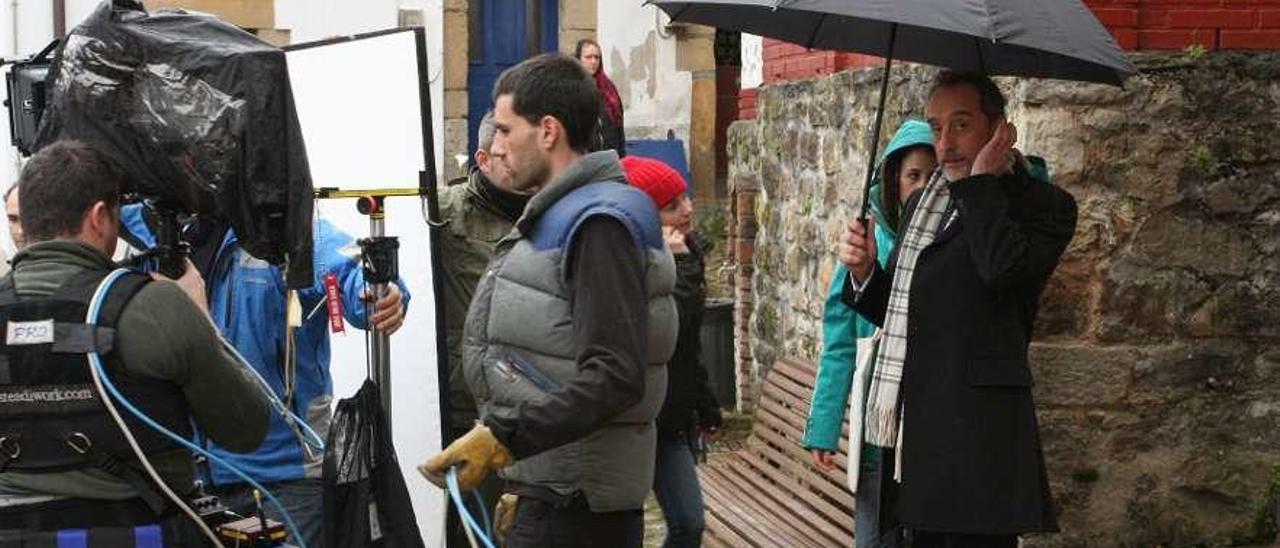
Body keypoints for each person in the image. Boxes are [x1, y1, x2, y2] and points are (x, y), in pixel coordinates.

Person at [419, 52, 677, 548]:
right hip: (553, 493)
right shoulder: (573, 210)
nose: (495, 145)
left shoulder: (598, 222)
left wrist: (503, 435)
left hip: (572, 508)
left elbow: (615, 374)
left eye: (505, 130)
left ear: (548, 131)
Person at [839, 71, 1077, 548]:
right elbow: (912, 313)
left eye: (961, 125)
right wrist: (866, 272)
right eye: (936, 126)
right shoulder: (924, 205)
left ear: (1000, 128)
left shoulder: (1043, 206)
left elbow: (1002, 271)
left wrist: (983, 182)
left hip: (978, 446)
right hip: (917, 439)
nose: (944, 143)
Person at [0, 140, 269, 544]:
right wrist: (199, 319)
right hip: (141, 531)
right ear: (99, 217)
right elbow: (246, 429)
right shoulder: (154, 306)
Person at [119, 187, 411, 548]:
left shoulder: (286, 236)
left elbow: (351, 272)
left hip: (286, 479)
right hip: (186, 481)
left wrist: (384, 294)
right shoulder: (152, 228)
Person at [807, 120, 935, 548]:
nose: (923, 186)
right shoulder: (865, 247)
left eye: (933, 176)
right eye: (914, 175)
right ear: (894, 181)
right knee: (875, 534)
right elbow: (839, 345)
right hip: (876, 428)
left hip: (926, 426)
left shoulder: (948, 243)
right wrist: (824, 426)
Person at [439, 111, 532, 547]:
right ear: (483, 157)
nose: (519, 166)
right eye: (505, 154)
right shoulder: (445, 212)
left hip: (530, 407)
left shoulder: (547, 215)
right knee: (468, 530)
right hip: (464, 404)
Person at [621, 155, 721, 548]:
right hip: (636, 423)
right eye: (671, 205)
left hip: (672, 423)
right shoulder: (629, 266)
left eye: (685, 198)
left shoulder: (688, 255)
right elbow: (667, 333)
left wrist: (705, 404)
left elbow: (690, 348)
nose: (687, 209)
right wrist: (678, 270)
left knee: (688, 522)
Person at [575, 38, 626, 156]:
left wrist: (621, 157)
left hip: (610, 158)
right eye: (588, 57)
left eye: (597, 57)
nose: (593, 61)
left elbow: (619, 128)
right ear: (579, 59)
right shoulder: (572, 88)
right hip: (585, 159)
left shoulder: (608, 89)